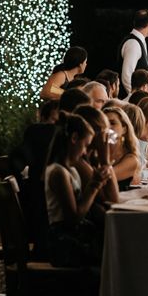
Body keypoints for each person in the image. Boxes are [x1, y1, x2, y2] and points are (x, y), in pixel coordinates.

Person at [44, 113, 111, 267]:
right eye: (85, 145)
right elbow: (74, 217)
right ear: (74, 138)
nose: (85, 153)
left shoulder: (71, 171)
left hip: (74, 236)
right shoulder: (57, 172)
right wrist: (95, 185)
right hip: (64, 243)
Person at [103, 107, 140, 191]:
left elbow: (105, 178)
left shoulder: (131, 159)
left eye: (112, 123)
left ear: (124, 129)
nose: (107, 127)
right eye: (104, 123)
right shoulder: (96, 152)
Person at [119, 10, 148, 96]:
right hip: (131, 102)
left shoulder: (139, 42)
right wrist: (135, 98)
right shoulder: (133, 43)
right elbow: (127, 75)